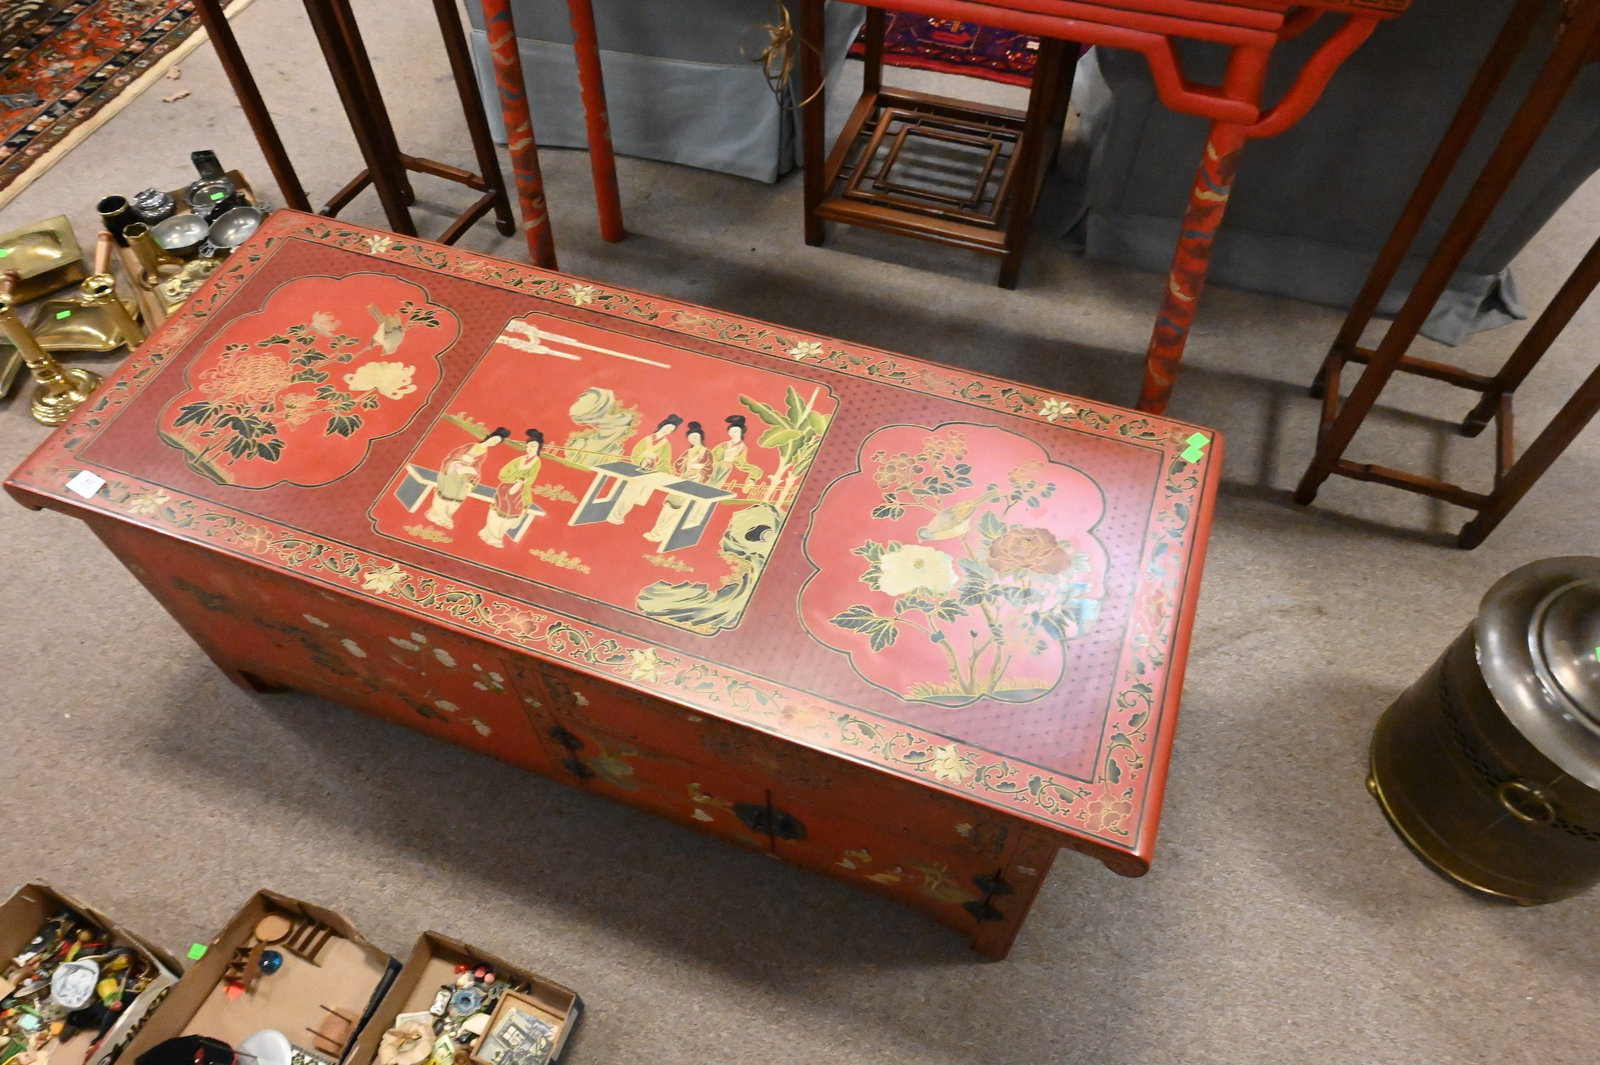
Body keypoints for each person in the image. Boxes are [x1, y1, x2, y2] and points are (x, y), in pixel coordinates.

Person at [426, 427, 509, 528]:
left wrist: (474, 472)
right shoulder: (471, 446)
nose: (493, 443)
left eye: (496, 442)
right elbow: (453, 455)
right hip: (453, 469)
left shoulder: (484, 452)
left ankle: (445, 517)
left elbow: (477, 466)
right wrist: (458, 463)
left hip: (464, 475)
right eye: (494, 440)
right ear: (490, 437)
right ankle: (437, 515)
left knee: (459, 496)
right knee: (446, 493)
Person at [607, 414, 680, 524]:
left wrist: (656, 464)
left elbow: (665, 461)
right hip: (637, 470)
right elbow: (635, 454)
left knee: (635, 496)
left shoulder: (666, 445)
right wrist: (643, 459)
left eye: (670, 430)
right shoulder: (646, 440)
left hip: (651, 473)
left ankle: (619, 516)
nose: (667, 430)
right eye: (667, 427)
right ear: (662, 425)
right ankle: (615, 516)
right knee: (628, 494)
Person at [646, 420, 710, 544]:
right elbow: (679, 465)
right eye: (691, 437)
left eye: (695, 437)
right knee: (668, 507)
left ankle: (663, 535)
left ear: (701, 438)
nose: (693, 439)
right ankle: (656, 532)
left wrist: (696, 474)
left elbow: (707, 469)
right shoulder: (688, 452)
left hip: (693, 484)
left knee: (678, 512)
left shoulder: (705, 453)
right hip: (681, 482)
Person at [479, 429, 543, 548]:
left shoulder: (536, 462)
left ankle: (496, 537)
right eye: (528, 446)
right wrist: (514, 479)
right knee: (496, 513)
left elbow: (530, 479)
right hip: (505, 488)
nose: (530, 449)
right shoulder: (519, 460)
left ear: (539, 448)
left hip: (520, 491)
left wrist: (521, 481)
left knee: (510, 516)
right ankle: (488, 533)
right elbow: (503, 473)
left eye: (533, 446)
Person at [710, 413, 763, 492]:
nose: (733, 433)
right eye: (730, 431)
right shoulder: (723, 445)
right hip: (713, 467)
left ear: (741, 432)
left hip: (725, 468)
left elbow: (742, 464)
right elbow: (711, 456)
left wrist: (752, 478)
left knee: (715, 487)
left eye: (735, 431)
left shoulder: (742, 448)